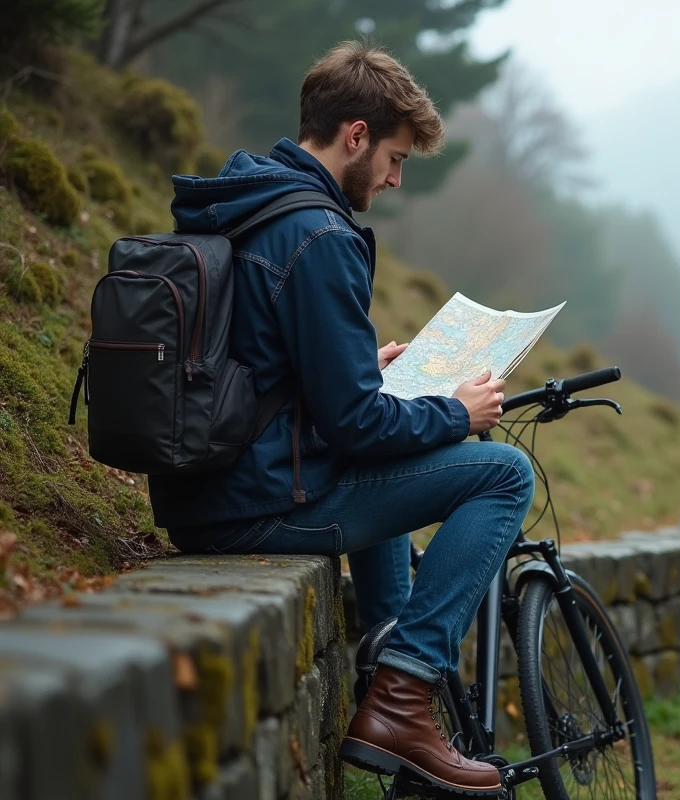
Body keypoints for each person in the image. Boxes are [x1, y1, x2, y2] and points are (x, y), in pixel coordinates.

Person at [155, 41, 533, 796]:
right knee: (505, 474)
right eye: (394, 159)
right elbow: (357, 425)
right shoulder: (321, 236)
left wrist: (366, 370)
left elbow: (264, 360)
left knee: (391, 452)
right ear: (355, 136)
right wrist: (456, 413)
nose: (394, 180)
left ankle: (389, 708)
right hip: (260, 503)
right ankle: (402, 699)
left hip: (212, 489)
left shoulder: (250, 202)